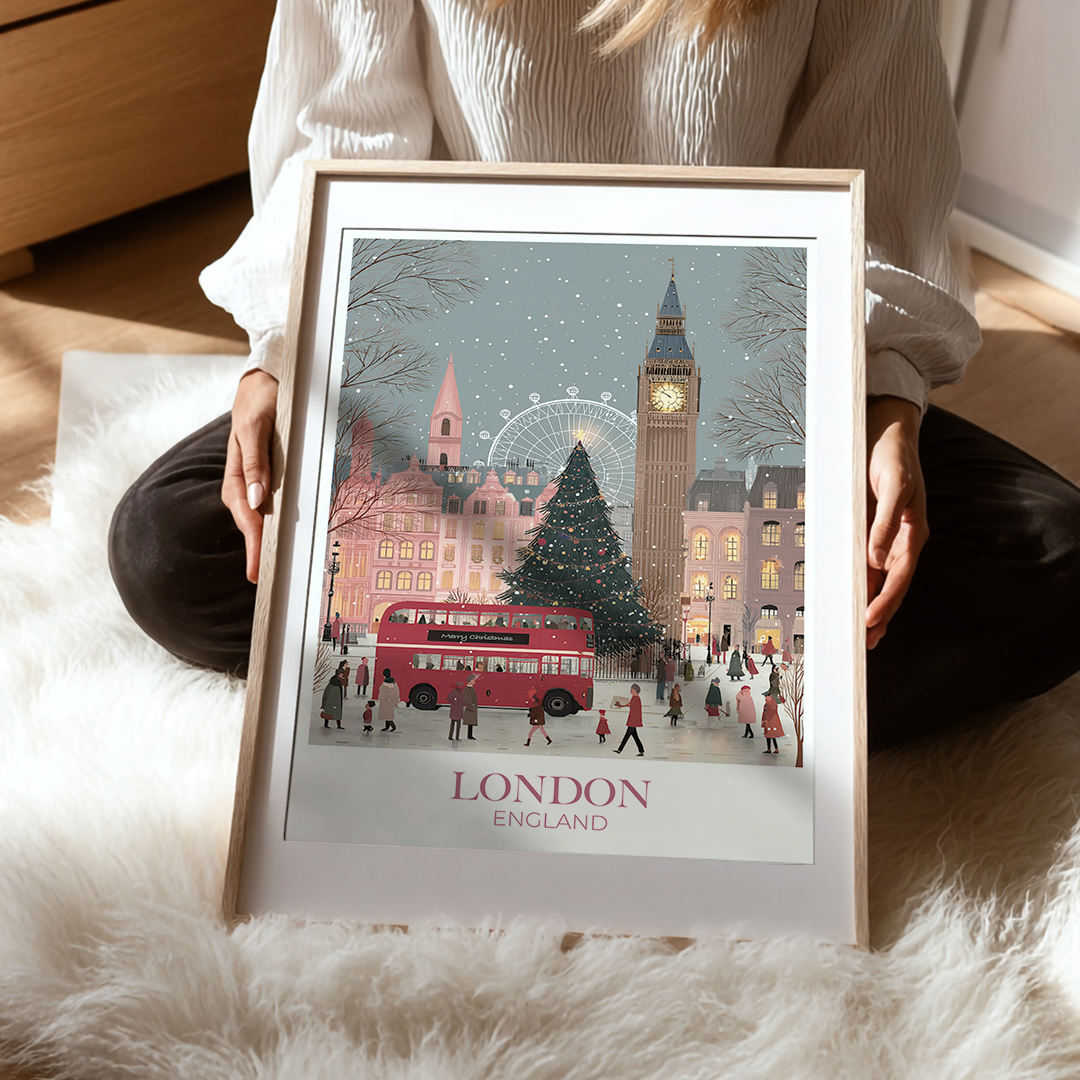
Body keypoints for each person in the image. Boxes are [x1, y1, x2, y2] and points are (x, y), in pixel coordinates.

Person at [105, 0, 1080, 753]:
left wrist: (882, 402)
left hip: (751, 373)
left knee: (1057, 559)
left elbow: (875, 176)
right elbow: (341, 143)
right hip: (469, 344)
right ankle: (701, 704)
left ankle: (604, 693)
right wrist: (283, 355)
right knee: (173, 545)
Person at [612, 683, 645, 757]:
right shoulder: (635, 698)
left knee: (627, 735)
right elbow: (629, 704)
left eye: (632, 690)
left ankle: (619, 750)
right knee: (635, 737)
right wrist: (621, 705)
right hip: (633, 718)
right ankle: (641, 751)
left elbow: (629, 704)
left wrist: (621, 705)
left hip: (633, 719)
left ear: (635, 691)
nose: (630, 691)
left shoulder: (636, 698)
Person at [463, 674, 479, 740]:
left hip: (472, 707)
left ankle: (470, 735)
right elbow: (466, 698)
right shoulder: (468, 689)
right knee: (470, 722)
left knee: (471, 722)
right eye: (473, 680)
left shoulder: (471, 688)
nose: (474, 681)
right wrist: (471, 705)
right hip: (470, 708)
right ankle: (469, 735)